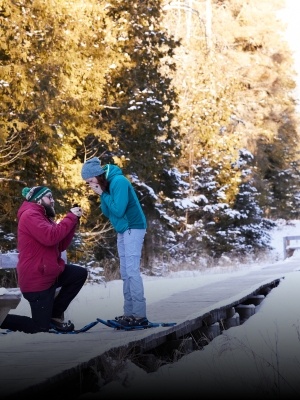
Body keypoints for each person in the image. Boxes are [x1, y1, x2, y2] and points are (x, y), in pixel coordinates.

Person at [0, 186, 87, 333]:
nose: (52, 201)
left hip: (50, 275)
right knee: (40, 328)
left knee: (79, 274)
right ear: (38, 200)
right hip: (37, 281)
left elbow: (60, 245)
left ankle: (53, 315)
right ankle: (3, 320)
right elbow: (50, 237)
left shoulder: (43, 217)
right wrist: (70, 217)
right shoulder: (30, 215)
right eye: (49, 197)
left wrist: (73, 222)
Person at [81, 157, 148, 328]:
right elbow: (106, 211)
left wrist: (103, 194)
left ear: (97, 174)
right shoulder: (107, 185)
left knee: (132, 271)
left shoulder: (119, 181)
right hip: (122, 229)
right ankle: (129, 313)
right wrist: (102, 193)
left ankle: (139, 315)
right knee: (125, 272)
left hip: (133, 226)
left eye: (90, 180)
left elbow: (118, 210)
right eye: (87, 182)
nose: (89, 184)